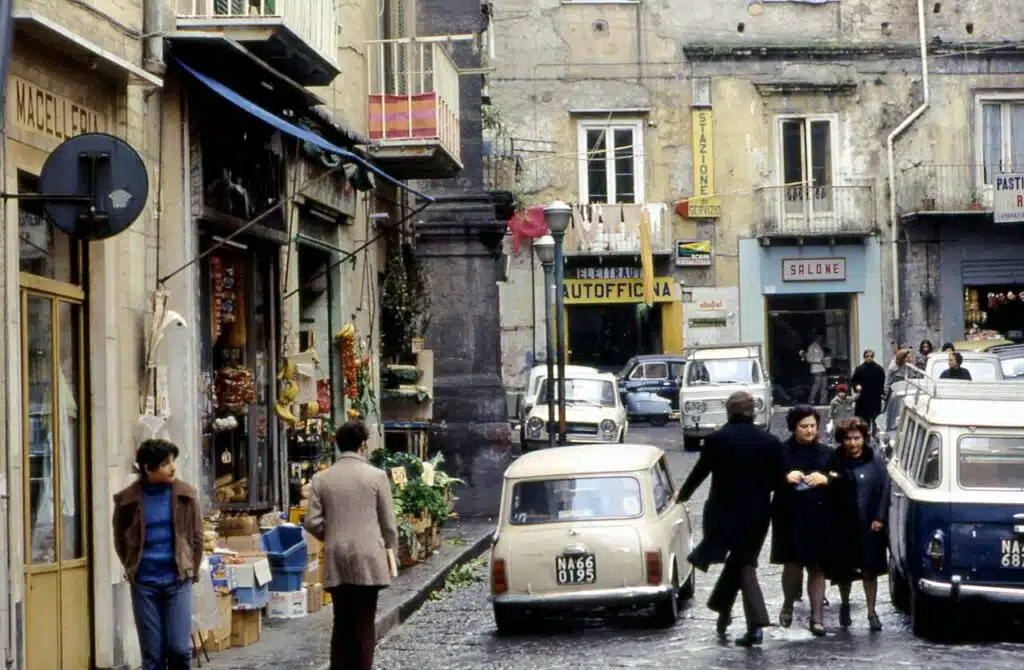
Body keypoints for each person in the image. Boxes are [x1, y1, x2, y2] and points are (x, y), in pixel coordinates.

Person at [676, 391, 784, 647]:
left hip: (723, 513)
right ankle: (726, 612)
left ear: (728, 412)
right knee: (742, 563)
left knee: (742, 564)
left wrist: (683, 494)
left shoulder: (716, 440)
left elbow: (700, 471)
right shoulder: (770, 442)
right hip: (758, 515)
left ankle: (755, 624)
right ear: (753, 412)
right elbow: (777, 480)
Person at [304, 420, 399, 670]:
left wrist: (331, 535)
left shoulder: (321, 479)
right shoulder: (376, 477)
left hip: (336, 555)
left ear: (337, 444)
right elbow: (389, 524)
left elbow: (311, 521)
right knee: (365, 620)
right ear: (363, 445)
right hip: (369, 556)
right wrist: (391, 552)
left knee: (342, 620)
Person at [112, 439, 203, 670]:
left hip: (177, 580)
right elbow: (120, 540)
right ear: (147, 468)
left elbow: (197, 537)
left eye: (172, 461)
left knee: (179, 649)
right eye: (164, 464)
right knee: (152, 655)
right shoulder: (127, 501)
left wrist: (191, 568)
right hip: (145, 584)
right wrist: (133, 566)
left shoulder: (186, 496)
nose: (172, 468)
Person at [826, 417, 891, 632]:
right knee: (844, 570)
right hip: (842, 525)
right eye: (848, 439)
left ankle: (872, 611)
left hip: (869, 525)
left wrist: (880, 517)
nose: (852, 443)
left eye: (856, 438)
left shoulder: (875, 460)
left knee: (869, 570)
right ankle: (844, 603)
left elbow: (884, 489)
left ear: (864, 438)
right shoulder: (835, 460)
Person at [772, 406, 833, 637]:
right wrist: (784, 478)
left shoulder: (827, 452)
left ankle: (817, 617)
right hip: (789, 516)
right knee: (793, 564)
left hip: (819, 516)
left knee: (817, 567)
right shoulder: (781, 451)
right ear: (794, 427)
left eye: (813, 426)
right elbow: (765, 479)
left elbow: (841, 477)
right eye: (804, 426)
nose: (809, 430)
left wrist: (826, 479)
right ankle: (788, 603)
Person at [851, 349, 886, 435]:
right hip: (863, 399)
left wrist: (882, 393)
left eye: (871, 356)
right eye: (867, 356)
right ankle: (864, 436)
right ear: (864, 357)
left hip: (875, 398)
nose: (869, 358)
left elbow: (882, 382)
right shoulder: (859, 369)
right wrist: (857, 386)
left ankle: (875, 436)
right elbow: (854, 380)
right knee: (863, 421)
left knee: (876, 420)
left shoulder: (879, 369)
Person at [802, 334, 828, 406]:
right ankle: (811, 400)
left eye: (822, 338)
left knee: (824, 385)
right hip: (816, 369)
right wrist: (819, 360)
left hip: (823, 368)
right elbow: (809, 359)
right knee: (817, 385)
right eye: (820, 338)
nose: (821, 339)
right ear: (816, 338)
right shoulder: (812, 347)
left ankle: (823, 400)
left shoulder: (821, 346)